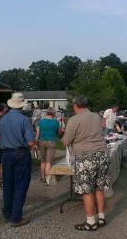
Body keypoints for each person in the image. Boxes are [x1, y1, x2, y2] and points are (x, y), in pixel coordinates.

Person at [62, 96, 110, 231]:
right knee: (99, 188)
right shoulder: (97, 117)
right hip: (102, 155)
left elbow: (66, 141)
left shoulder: (74, 120)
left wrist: (63, 138)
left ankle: (90, 222)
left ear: (75, 106)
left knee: (86, 190)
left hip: (85, 157)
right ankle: (101, 217)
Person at [0, 92, 36, 227]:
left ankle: (8, 213)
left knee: (8, 185)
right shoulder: (24, 120)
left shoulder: (2, 119)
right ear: (21, 105)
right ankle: (16, 217)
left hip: (5, 154)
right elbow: (31, 142)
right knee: (20, 185)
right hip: (20, 153)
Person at [36, 107, 61, 185]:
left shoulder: (40, 122)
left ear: (46, 113)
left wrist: (35, 142)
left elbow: (37, 133)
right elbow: (59, 133)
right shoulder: (56, 122)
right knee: (49, 162)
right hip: (52, 141)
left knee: (43, 161)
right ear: (53, 114)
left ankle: (42, 177)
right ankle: (47, 179)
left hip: (41, 141)